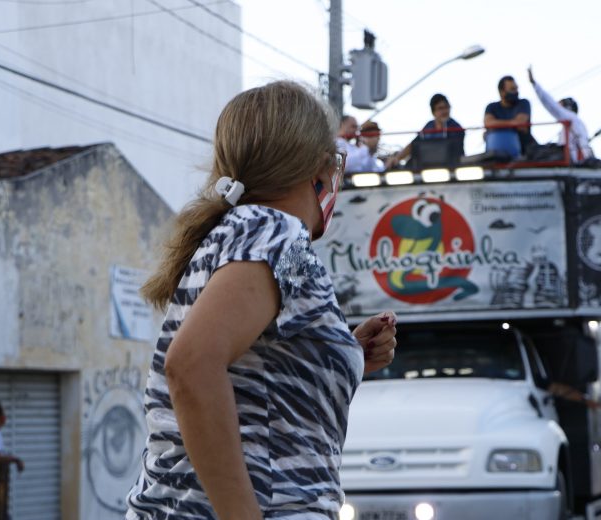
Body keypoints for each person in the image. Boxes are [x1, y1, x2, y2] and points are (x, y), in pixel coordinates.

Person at [125, 81, 398, 520]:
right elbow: (191, 365)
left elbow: (257, 377)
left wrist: (340, 351)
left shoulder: (239, 234)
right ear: (318, 167)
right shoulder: (277, 234)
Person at [528, 67, 593, 164]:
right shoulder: (576, 124)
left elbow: (550, 104)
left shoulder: (570, 118)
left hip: (574, 162)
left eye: (561, 106)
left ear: (567, 108)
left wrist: (535, 84)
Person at [386, 93, 465, 168]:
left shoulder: (456, 128)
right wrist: (397, 158)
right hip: (426, 169)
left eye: (447, 107)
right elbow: (413, 145)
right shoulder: (428, 127)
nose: (445, 111)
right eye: (440, 108)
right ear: (433, 112)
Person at [484, 75, 534, 159]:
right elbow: (488, 123)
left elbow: (521, 122)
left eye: (516, 88)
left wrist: (497, 125)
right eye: (512, 89)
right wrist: (513, 124)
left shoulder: (523, 103)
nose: (516, 92)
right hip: (495, 154)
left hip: (524, 153)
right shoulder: (491, 107)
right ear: (502, 92)